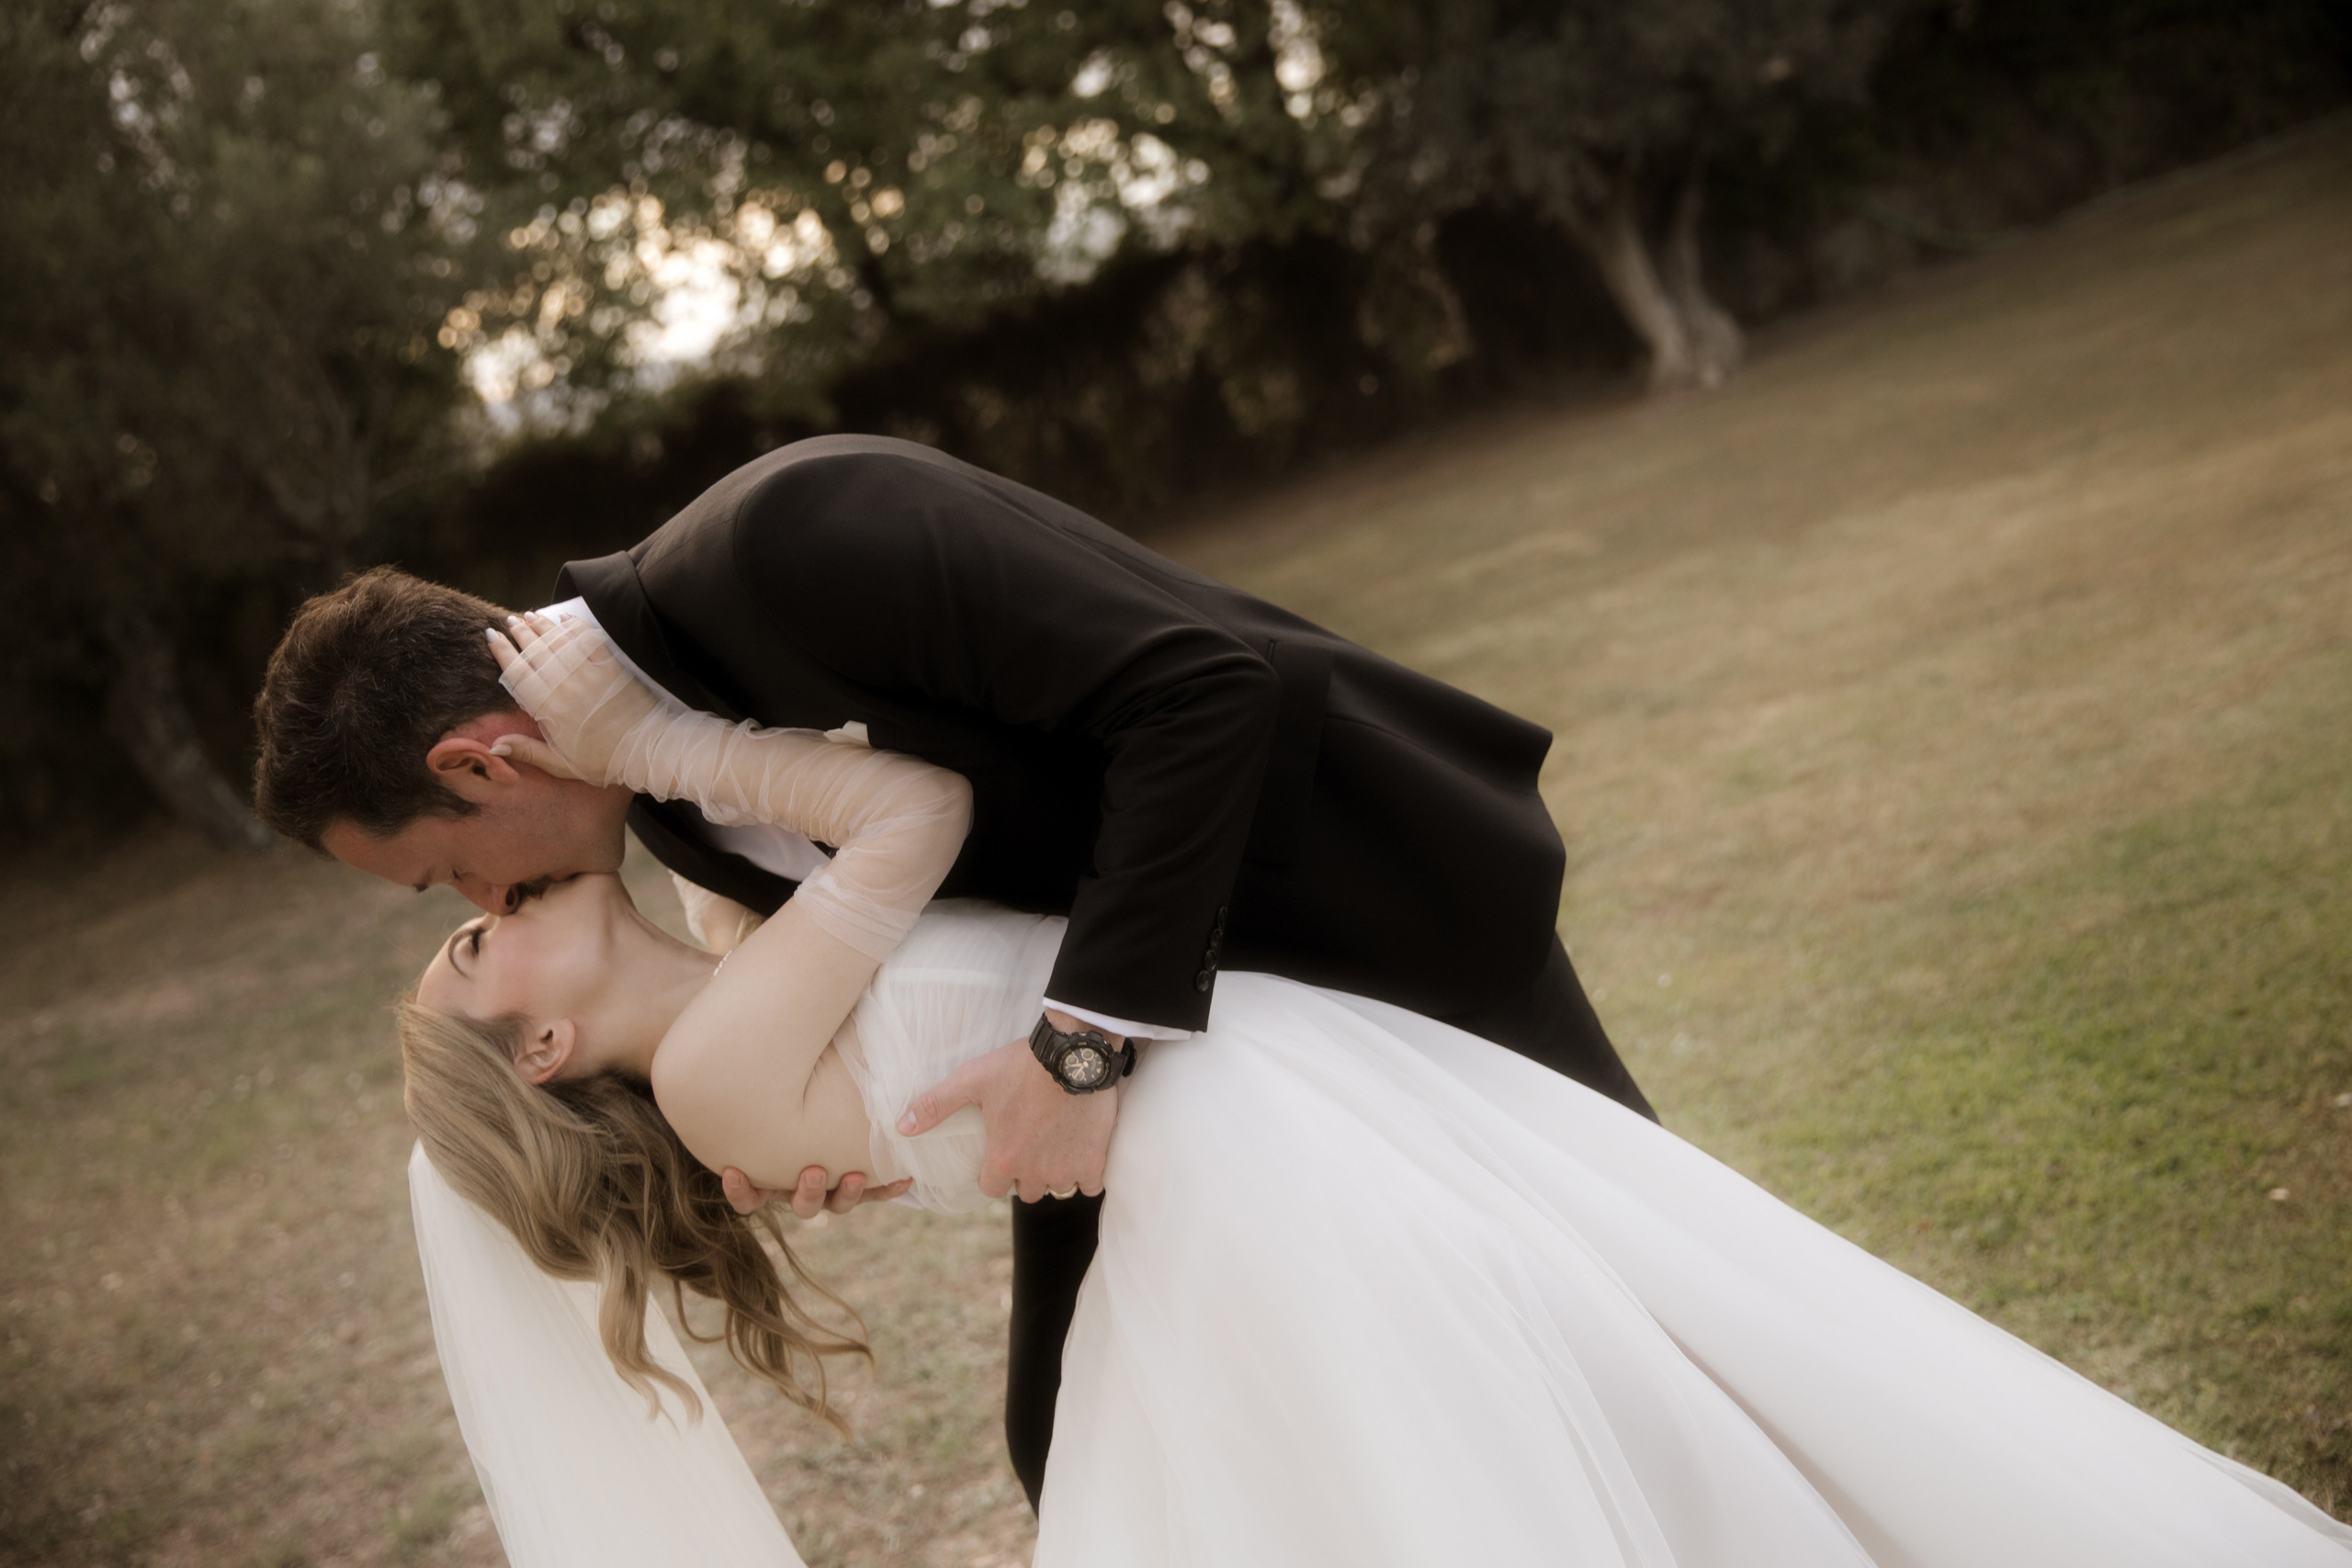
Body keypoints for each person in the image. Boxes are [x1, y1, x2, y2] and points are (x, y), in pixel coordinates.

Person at [399, 611, 2352, 1568]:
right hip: (1238, 1120)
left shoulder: (734, 995)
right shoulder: (729, 1052)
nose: (484, 904)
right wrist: (661, 736)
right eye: (472, 946)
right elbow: (915, 809)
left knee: (1560, 1388)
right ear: (549, 1052)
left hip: (1242, 1088)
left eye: (461, 910)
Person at [252, 434, 1651, 1504]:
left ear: (474, 764)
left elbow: (1206, 690)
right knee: (1081, 1445)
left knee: (1627, 1314)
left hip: (1360, 910)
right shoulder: (656, 804)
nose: (490, 900)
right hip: (1178, 1069)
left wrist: (1080, 1052)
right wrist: (802, 1122)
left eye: (452, 879)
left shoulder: (793, 538)